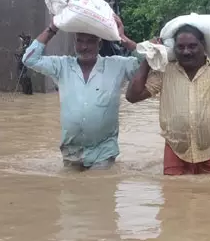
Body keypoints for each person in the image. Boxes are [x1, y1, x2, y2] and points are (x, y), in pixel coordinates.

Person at [125, 23, 210, 175]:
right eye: (180, 47)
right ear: (174, 49)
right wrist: (150, 56)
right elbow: (132, 96)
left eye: (192, 46)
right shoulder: (165, 72)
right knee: (174, 197)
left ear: (203, 45)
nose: (186, 52)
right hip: (176, 151)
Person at [21, 15, 143, 171]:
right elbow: (29, 59)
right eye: (80, 41)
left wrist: (123, 38)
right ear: (74, 43)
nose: (84, 47)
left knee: (98, 191)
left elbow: (150, 60)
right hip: (71, 152)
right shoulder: (62, 66)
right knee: (70, 193)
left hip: (103, 153)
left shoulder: (117, 65)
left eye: (91, 41)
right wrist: (52, 28)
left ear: (100, 44)